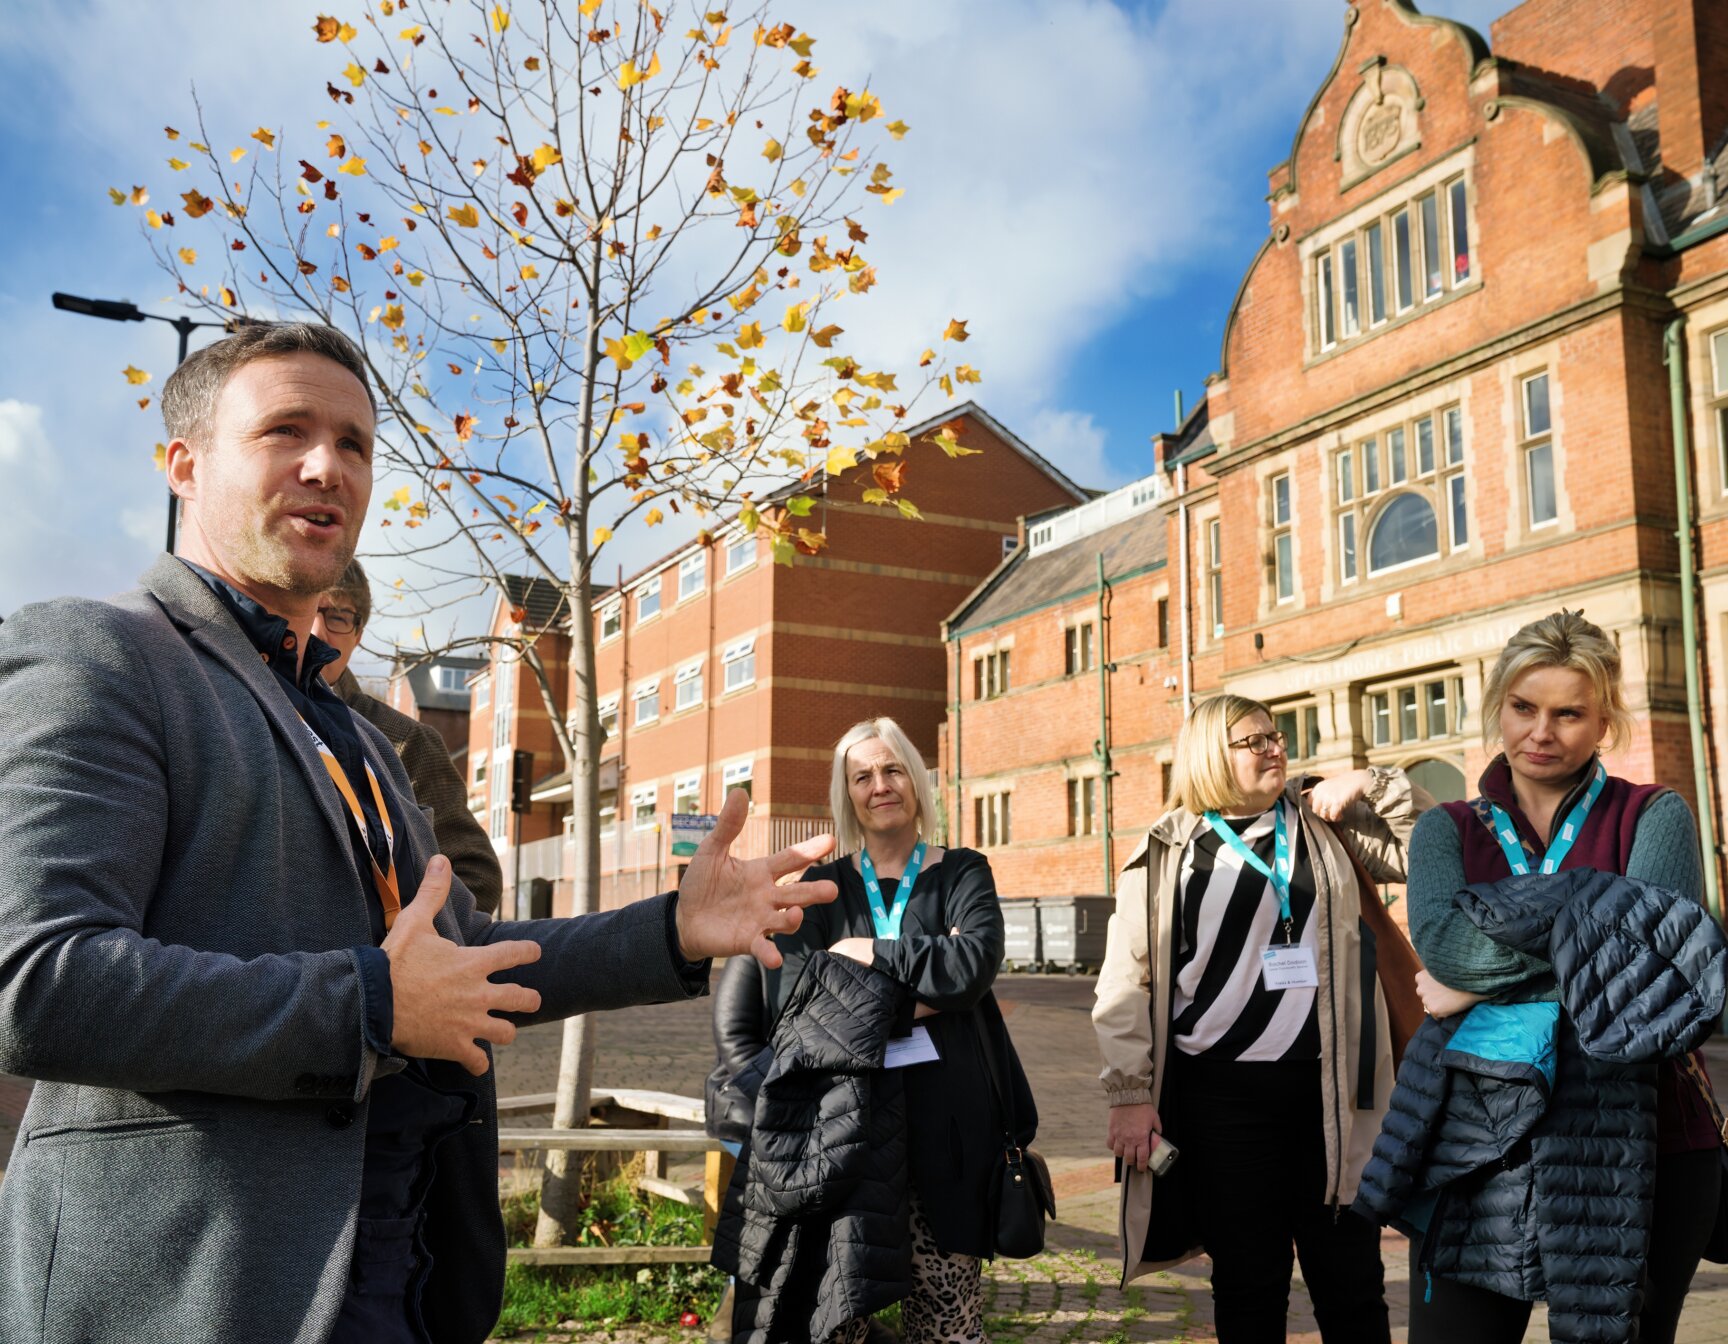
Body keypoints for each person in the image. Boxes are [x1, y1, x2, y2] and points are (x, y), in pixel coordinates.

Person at [0, 321, 837, 1344]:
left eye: (355, 443)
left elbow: (458, 963)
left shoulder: (352, 728)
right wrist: (366, 1005)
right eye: (287, 431)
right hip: (209, 1290)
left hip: (410, 1274)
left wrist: (674, 928)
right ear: (183, 463)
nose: (328, 466)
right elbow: (38, 983)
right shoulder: (97, 654)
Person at [1388, 610, 1722, 1344]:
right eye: (1524, 708)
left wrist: (1479, 987)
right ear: (1498, 706)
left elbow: (1659, 979)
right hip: (1479, 1149)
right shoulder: (1448, 829)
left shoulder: (1654, 815)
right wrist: (1597, 929)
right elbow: (1445, 949)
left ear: (1604, 721)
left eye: (1569, 713)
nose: (1543, 731)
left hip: (1650, 1141)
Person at [1093, 693, 1428, 1343]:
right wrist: (1129, 1093)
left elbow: (1436, 850)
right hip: (1221, 1099)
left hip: (1332, 1093)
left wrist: (1373, 782)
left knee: (1352, 1281)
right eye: (1254, 741)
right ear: (1210, 757)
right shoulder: (1168, 852)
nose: (1274, 747)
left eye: (1275, 736)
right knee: (1249, 1283)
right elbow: (1124, 981)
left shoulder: (1323, 819)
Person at [711, 716, 1031, 1344]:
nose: (880, 785)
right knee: (835, 1320)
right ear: (847, 792)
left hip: (949, 1132)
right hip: (842, 1135)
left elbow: (970, 970)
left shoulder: (964, 871)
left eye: (892, 770)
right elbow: (803, 1008)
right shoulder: (821, 889)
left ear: (915, 780)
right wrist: (926, 979)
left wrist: (867, 955)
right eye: (863, 776)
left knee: (947, 1319)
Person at [314, 558, 503, 917]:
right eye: (308, 608)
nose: (317, 631)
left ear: (358, 635)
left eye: (337, 617)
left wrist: (401, 936)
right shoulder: (241, 709)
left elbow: (476, 875)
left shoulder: (406, 742)